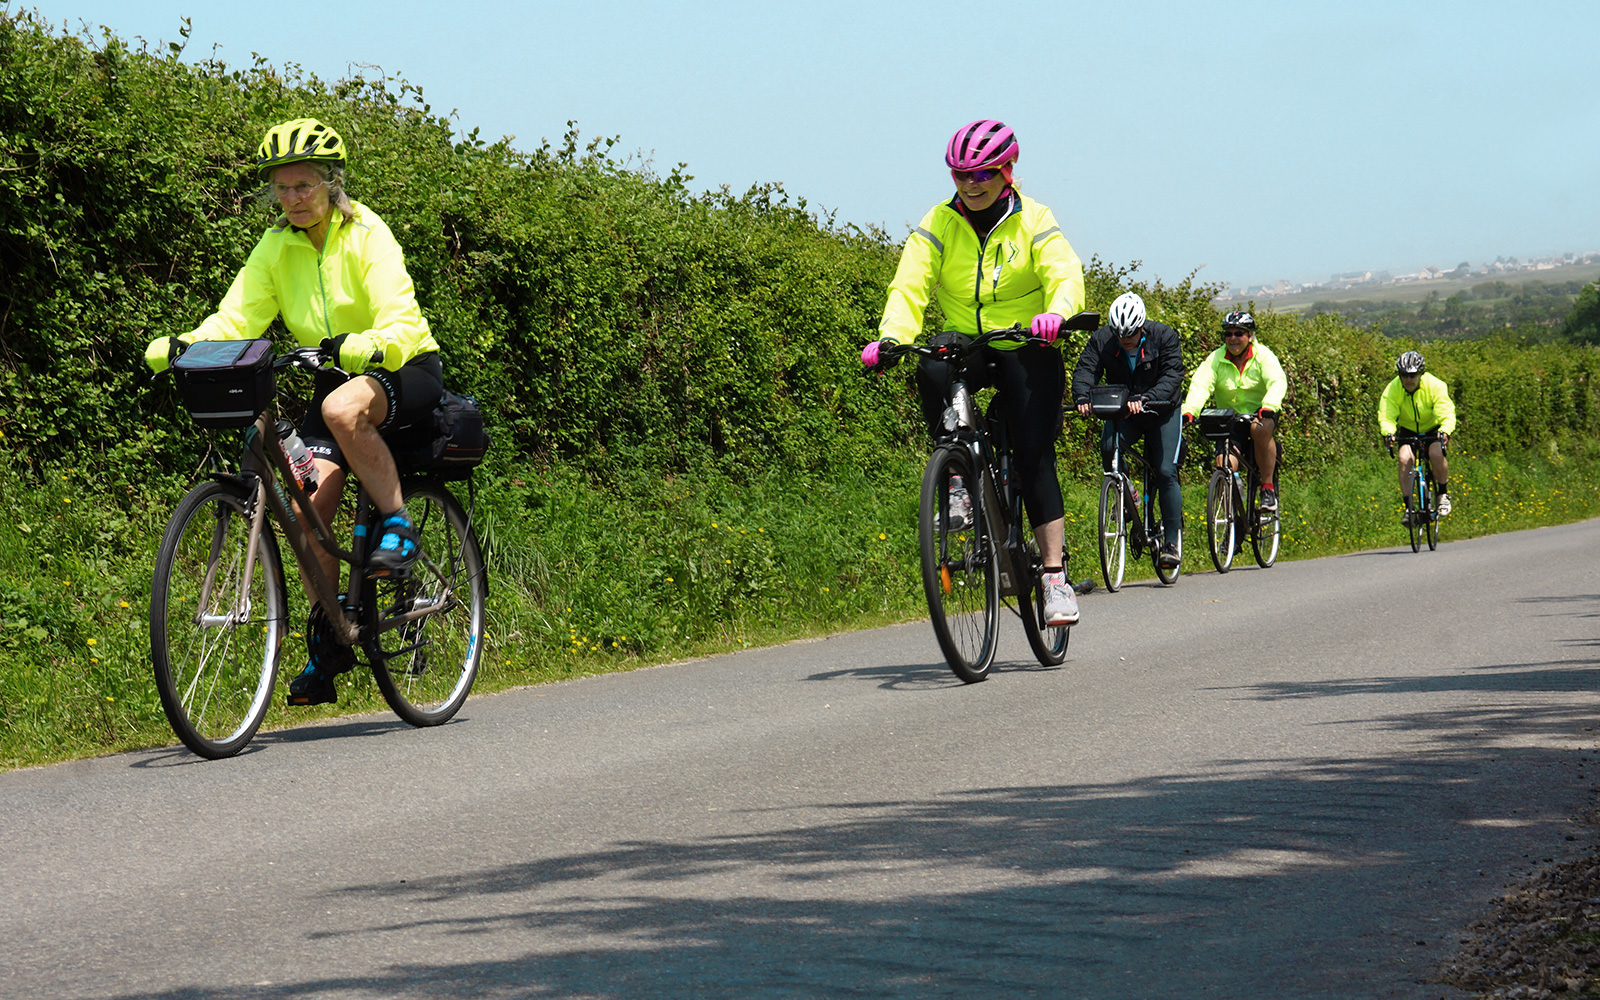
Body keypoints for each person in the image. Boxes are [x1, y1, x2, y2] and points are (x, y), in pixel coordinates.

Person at [145, 117, 444, 707]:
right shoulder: (275, 246)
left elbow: (401, 313)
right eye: (281, 189)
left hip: (400, 366)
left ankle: (401, 530)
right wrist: (186, 345)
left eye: (304, 186)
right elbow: (236, 318)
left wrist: (375, 341)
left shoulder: (367, 233)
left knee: (339, 405)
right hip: (334, 379)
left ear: (332, 184)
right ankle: (328, 645)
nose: (292, 199)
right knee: (309, 510)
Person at [863, 119, 1086, 626]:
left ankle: (1054, 577)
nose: (971, 183)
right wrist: (892, 336)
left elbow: (1063, 270)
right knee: (932, 359)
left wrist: (1058, 312)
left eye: (983, 172)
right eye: (961, 174)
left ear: (1007, 171)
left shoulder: (1034, 218)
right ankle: (958, 470)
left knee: (1032, 456)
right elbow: (910, 284)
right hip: (970, 341)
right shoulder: (939, 223)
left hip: (1029, 340)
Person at [1071, 292, 1185, 569]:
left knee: (1166, 471)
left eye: (1130, 335)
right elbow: (1086, 369)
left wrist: (1148, 397)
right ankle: (1128, 493)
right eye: (1120, 335)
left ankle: (1171, 542)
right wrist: (1083, 397)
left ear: (1142, 326)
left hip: (1161, 410)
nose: (1125, 340)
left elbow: (1173, 375)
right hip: (1125, 412)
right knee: (1109, 448)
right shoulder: (1102, 340)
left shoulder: (1165, 336)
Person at [1181, 310, 1287, 513]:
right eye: (1228, 334)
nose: (1233, 338)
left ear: (1250, 336)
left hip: (1260, 414)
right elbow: (1201, 384)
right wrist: (1191, 410)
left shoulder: (1263, 356)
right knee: (1224, 464)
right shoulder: (1216, 358)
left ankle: (1267, 488)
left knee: (1259, 429)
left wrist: (1269, 405)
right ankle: (1232, 522)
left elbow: (1277, 381)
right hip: (1231, 420)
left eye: (1239, 333)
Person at [1378, 350, 1455, 521]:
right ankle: (1409, 508)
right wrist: (1388, 433)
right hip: (1408, 430)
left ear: (1420, 374)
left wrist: (1445, 430)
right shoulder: (1393, 389)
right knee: (1404, 458)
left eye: (1412, 375)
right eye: (1404, 375)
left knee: (1436, 453)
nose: (1408, 380)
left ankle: (1442, 494)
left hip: (1432, 428)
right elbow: (1386, 414)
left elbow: (1446, 411)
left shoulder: (1435, 385)